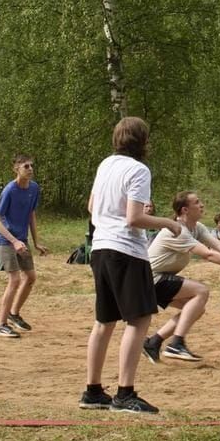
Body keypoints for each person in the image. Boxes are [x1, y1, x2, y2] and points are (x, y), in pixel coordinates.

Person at [82, 116, 184, 414]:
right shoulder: (139, 169)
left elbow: (92, 206)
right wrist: (168, 223)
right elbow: (133, 219)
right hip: (126, 251)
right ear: (143, 142)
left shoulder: (105, 165)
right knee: (138, 321)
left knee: (104, 322)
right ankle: (125, 394)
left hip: (100, 248)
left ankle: (93, 391)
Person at [142, 191, 220, 364]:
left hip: (157, 279)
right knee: (201, 292)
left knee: (195, 309)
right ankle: (176, 344)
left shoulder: (197, 227)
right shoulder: (177, 230)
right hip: (151, 279)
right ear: (185, 210)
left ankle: (153, 342)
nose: (202, 205)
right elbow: (209, 255)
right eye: (197, 202)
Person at [0, 154, 48, 337]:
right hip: (6, 240)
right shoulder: (9, 190)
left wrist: (36, 241)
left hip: (21, 240)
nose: (30, 169)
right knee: (15, 280)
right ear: (16, 169)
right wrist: (14, 241)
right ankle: (0, 325)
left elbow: (31, 214)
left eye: (32, 165)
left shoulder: (34, 188)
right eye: (26, 166)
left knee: (31, 277)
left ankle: (13, 314)